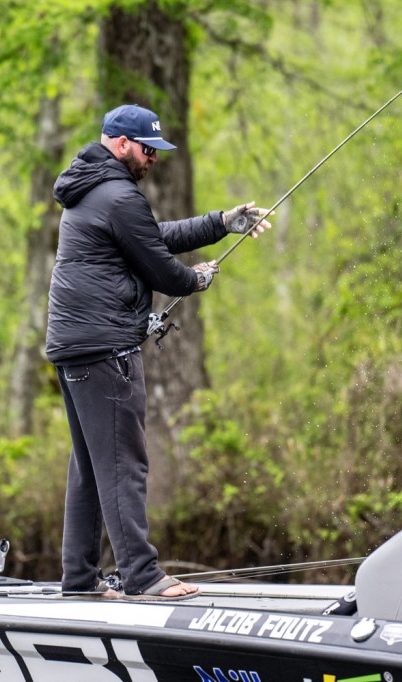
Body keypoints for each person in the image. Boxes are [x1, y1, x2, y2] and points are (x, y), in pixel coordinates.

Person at [46, 103, 271, 599]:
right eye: (148, 149)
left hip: (76, 346)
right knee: (123, 463)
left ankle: (80, 580)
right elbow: (161, 267)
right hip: (106, 348)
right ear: (121, 143)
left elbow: (149, 236)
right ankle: (143, 577)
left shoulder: (91, 189)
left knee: (90, 467)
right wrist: (195, 279)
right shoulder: (118, 195)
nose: (153, 158)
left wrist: (220, 222)